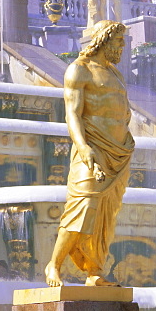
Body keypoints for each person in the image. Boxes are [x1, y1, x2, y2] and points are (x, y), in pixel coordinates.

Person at [45, 20, 134, 287]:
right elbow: (72, 114)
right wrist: (83, 146)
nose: (122, 47)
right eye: (118, 42)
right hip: (92, 149)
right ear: (103, 41)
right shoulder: (78, 70)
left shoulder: (115, 73)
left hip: (119, 152)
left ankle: (94, 271)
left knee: (106, 214)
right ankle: (54, 264)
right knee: (82, 208)